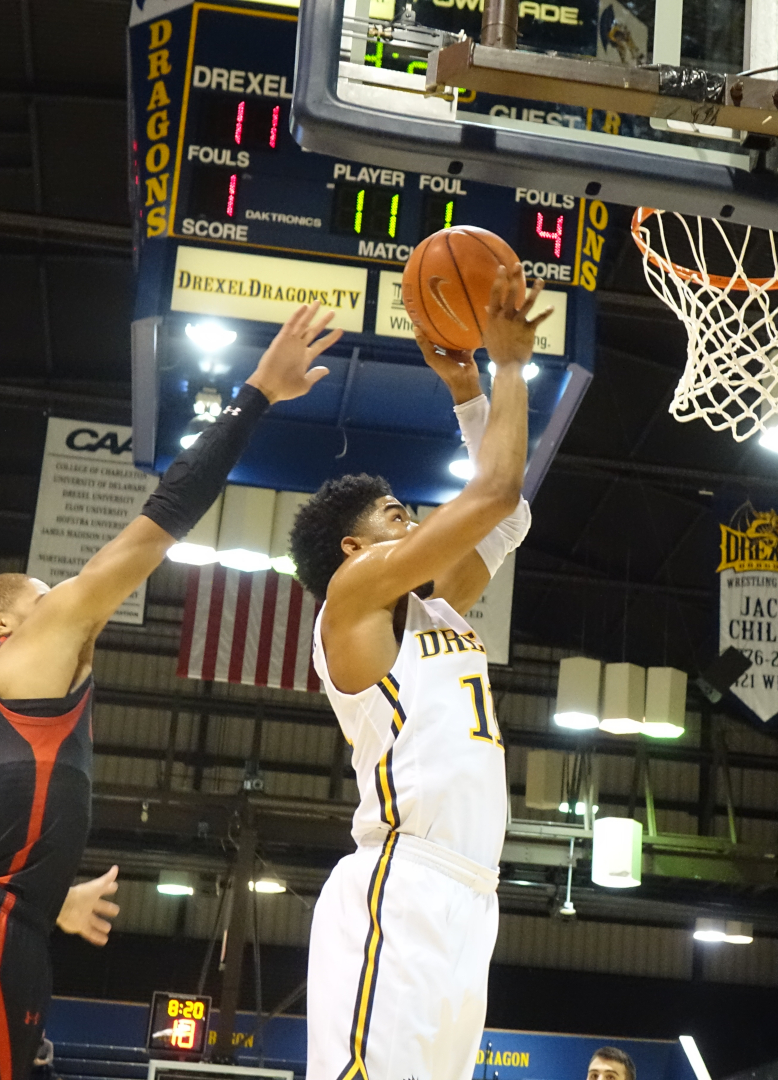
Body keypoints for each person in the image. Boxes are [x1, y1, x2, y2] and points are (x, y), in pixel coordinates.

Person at [0, 304, 341, 1080]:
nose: (71, 606)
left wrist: (43, 899)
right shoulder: (28, 650)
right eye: (49, 597)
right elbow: (156, 524)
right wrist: (256, 396)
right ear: (3, 622)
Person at [292, 264, 550, 1080]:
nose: (414, 524)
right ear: (355, 549)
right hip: (398, 884)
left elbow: (511, 510)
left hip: (472, 894)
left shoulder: (439, 607)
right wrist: (508, 365)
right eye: (395, 517)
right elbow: (494, 488)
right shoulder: (353, 598)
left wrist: (470, 392)